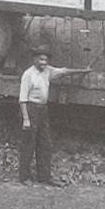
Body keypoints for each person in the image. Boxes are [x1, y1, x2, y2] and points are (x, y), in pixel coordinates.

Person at [17, 45, 89, 186]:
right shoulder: (28, 74)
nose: (43, 62)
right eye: (41, 59)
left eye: (45, 60)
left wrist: (83, 71)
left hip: (43, 109)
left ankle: (44, 177)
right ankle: (24, 177)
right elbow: (22, 99)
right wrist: (26, 119)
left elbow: (64, 71)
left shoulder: (48, 71)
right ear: (34, 59)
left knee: (45, 143)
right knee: (29, 144)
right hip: (30, 109)